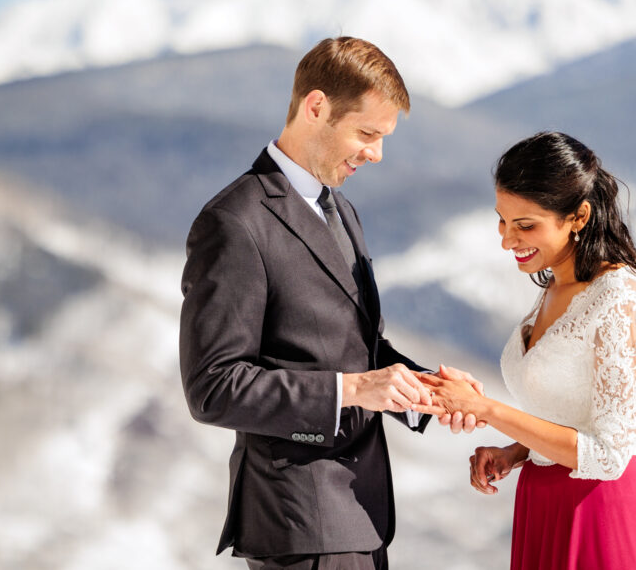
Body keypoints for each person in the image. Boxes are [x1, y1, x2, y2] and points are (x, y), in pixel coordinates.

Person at [178, 36, 482, 570]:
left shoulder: (341, 210)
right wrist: (354, 389)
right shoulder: (234, 223)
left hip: (362, 515)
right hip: (299, 521)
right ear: (315, 107)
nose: (376, 153)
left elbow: (356, 345)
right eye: (367, 133)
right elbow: (213, 388)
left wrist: (428, 391)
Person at [413, 132, 636, 569]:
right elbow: (572, 410)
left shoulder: (619, 301)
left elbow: (610, 454)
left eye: (526, 225)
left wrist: (485, 410)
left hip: (603, 516)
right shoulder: (556, 284)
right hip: (544, 506)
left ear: (578, 216)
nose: (507, 239)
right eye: (502, 221)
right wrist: (515, 451)